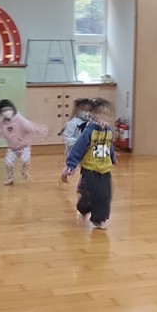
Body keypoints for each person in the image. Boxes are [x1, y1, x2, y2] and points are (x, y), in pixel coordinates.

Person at [62, 98, 116, 230]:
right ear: (93, 115)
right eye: (101, 114)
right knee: (89, 194)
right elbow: (78, 148)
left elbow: (109, 145)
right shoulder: (89, 131)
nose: (104, 118)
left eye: (107, 115)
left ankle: (99, 219)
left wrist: (113, 157)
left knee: (105, 195)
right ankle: (83, 207)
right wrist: (71, 165)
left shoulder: (108, 131)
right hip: (90, 170)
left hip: (105, 170)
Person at [0, 99, 47, 185]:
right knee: (8, 163)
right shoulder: (2, 123)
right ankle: (10, 179)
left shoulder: (19, 118)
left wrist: (38, 130)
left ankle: (24, 171)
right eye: (4, 110)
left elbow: (29, 126)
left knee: (25, 160)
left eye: (8, 109)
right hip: (12, 148)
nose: (7, 112)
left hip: (24, 146)